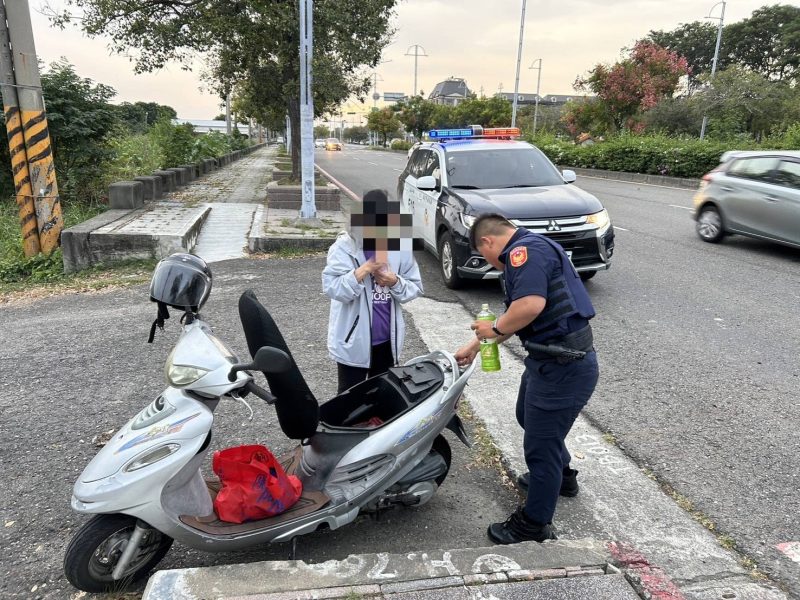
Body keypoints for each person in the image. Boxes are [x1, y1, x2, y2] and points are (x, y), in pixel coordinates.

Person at [455, 214, 598, 544]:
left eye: (485, 256)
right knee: (526, 416)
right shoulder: (531, 248)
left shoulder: (524, 253)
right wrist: (475, 346)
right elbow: (513, 319)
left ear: (488, 242)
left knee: (540, 446)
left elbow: (530, 306)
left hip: (565, 366)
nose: (493, 265)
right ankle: (562, 478)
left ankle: (533, 524)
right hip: (551, 362)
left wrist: (492, 330)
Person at [323, 189, 423, 394]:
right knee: (350, 400)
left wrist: (395, 282)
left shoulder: (400, 246)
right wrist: (364, 270)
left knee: (382, 396)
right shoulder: (345, 247)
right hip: (353, 342)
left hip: (388, 340)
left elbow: (415, 287)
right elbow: (332, 288)